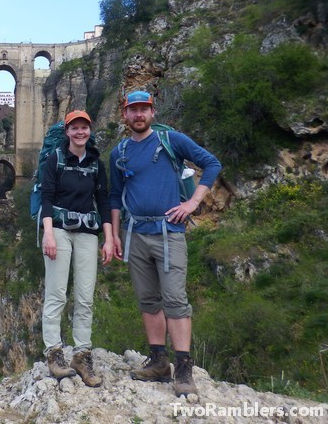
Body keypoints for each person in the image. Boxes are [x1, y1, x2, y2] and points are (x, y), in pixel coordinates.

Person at [105, 90, 222, 397]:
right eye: (133, 110)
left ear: (152, 112)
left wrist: (193, 202)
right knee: (147, 299)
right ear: (125, 115)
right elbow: (115, 196)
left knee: (175, 299)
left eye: (144, 109)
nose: (139, 114)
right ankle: (158, 360)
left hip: (169, 233)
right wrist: (115, 234)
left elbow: (212, 164)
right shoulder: (119, 152)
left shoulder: (172, 140)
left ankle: (184, 368)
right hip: (135, 234)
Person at [40, 110, 113, 387]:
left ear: (89, 131)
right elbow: (47, 197)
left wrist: (108, 238)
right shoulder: (54, 159)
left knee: (85, 296)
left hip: (87, 233)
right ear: (67, 132)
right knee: (56, 293)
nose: (80, 132)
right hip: (58, 230)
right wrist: (48, 234)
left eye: (84, 128)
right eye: (75, 128)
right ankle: (54, 353)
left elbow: (103, 201)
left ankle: (82, 354)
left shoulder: (96, 164)